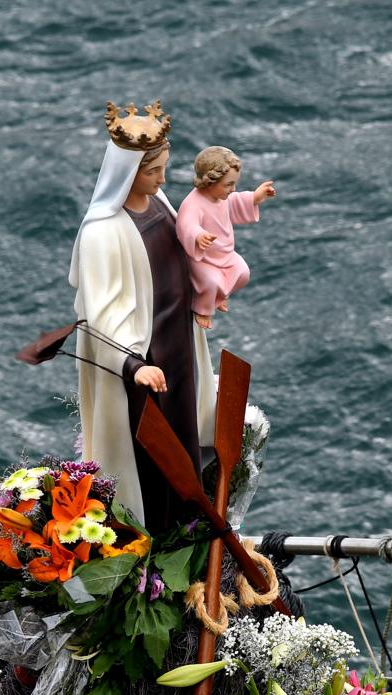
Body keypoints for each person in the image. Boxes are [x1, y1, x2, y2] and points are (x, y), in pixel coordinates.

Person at [70, 101, 216, 533]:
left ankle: (190, 524)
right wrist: (133, 365)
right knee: (149, 455)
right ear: (129, 170)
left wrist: (211, 288)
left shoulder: (160, 203)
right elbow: (102, 312)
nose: (163, 179)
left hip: (177, 345)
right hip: (141, 359)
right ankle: (157, 539)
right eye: (154, 171)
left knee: (182, 440)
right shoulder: (102, 232)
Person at [173, 146, 276, 329]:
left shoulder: (221, 197)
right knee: (211, 282)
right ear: (209, 181)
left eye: (234, 184)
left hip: (224, 254)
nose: (232, 189)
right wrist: (198, 235)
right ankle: (203, 309)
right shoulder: (193, 203)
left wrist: (255, 197)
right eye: (228, 185)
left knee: (243, 273)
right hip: (203, 257)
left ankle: (217, 298)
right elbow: (186, 224)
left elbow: (235, 202)